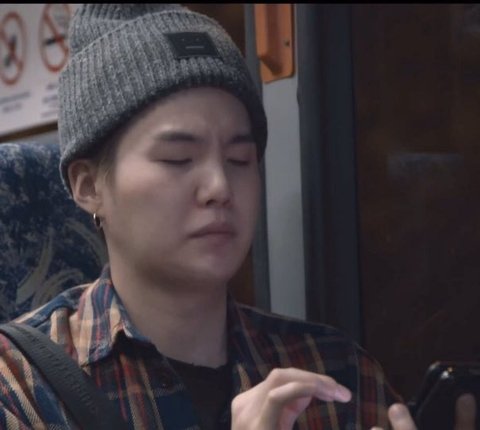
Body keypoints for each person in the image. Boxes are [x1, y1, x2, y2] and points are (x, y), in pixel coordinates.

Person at [0, 4, 474, 430]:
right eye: (178, 160)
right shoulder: (21, 385)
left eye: (240, 160)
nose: (220, 188)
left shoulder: (335, 372)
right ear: (88, 186)